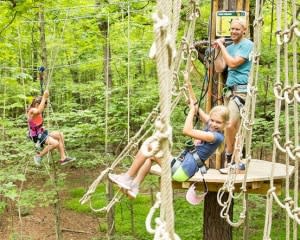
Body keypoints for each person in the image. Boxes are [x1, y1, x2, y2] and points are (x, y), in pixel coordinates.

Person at [108, 77, 229, 198]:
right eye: (212, 120)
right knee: (150, 158)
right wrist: (189, 84)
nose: (213, 124)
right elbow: (196, 106)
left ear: (225, 124)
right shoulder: (212, 126)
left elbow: (187, 130)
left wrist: (191, 111)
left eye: (218, 122)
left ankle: (127, 177)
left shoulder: (215, 136)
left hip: (182, 171)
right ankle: (134, 185)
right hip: (182, 168)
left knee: (150, 147)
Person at [213, 18, 253, 165]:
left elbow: (233, 63)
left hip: (241, 91)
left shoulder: (247, 44)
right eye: (232, 29)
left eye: (237, 29)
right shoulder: (229, 48)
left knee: (229, 124)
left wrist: (222, 46)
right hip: (229, 92)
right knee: (232, 127)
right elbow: (219, 68)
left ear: (244, 31)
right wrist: (218, 49)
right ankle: (237, 161)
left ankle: (230, 155)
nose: (234, 32)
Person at [27, 90, 75, 166]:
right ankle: (38, 156)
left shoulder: (37, 109)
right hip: (36, 136)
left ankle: (63, 158)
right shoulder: (32, 110)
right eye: (44, 107)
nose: (44, 109)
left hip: (41, 132)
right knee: (55, 143)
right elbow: (39, 111)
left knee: (60, 134)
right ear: (37, 104)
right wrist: (44, 97)